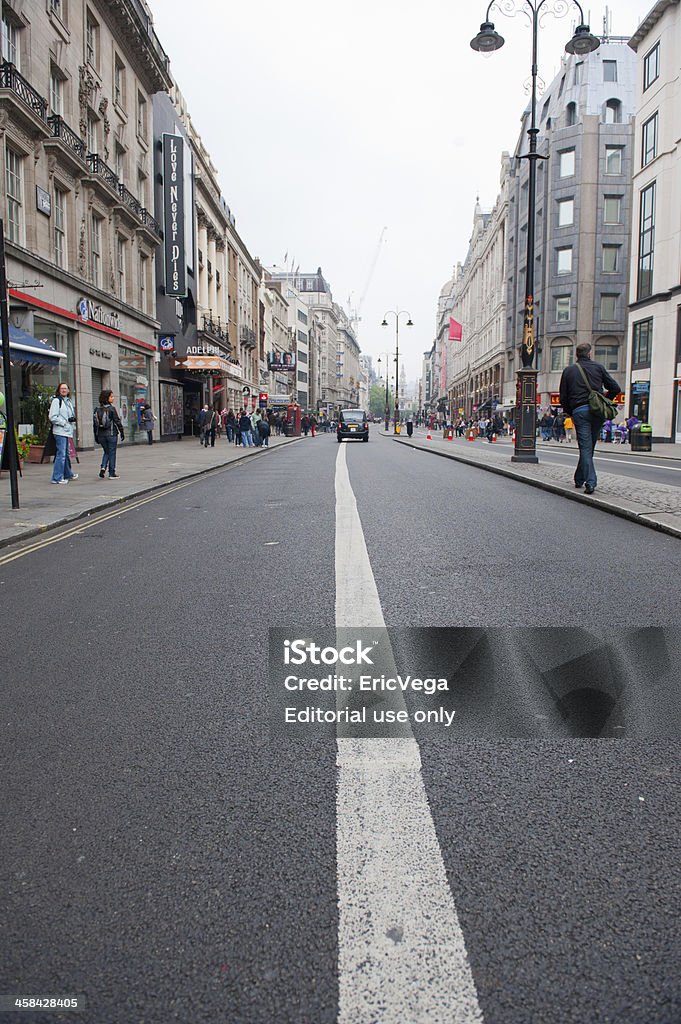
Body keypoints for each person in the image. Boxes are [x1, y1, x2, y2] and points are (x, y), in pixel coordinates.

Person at [559, 342, 620, 495]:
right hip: (597, 412)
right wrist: (604, 400)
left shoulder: (569, 371)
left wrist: (570, 411)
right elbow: (615, 388)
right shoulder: (598, 367)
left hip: (580, 411)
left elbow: (563, 397)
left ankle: (590, 482)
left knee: (586, 447)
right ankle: (579, 479)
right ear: (590, 354)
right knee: (589, 447)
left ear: (576, 355)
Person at [48, 382, 78, 484]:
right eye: (62, 389)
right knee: (61, 455)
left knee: (65, 454)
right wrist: (64, 423)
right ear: (59, 390)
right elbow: (53, 417)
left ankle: (67, 474)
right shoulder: (56, 401)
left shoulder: (68, 401)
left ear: (69, 390)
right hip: (60, 431)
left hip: (67, 431)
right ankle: (57, 478)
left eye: (65, 388)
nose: (64, 390)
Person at [94, 389, 124, 478]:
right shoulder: (111, 409)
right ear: (107, 398)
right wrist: (122, 432)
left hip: (101, 435)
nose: (113, 398)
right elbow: (117, 421)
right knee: (112, 452)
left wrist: (96, 436)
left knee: (106, 451)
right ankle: (112, 473)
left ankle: (103, 467)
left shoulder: (97, 409)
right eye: (111, 396)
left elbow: (94, 424)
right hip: (111, 434)